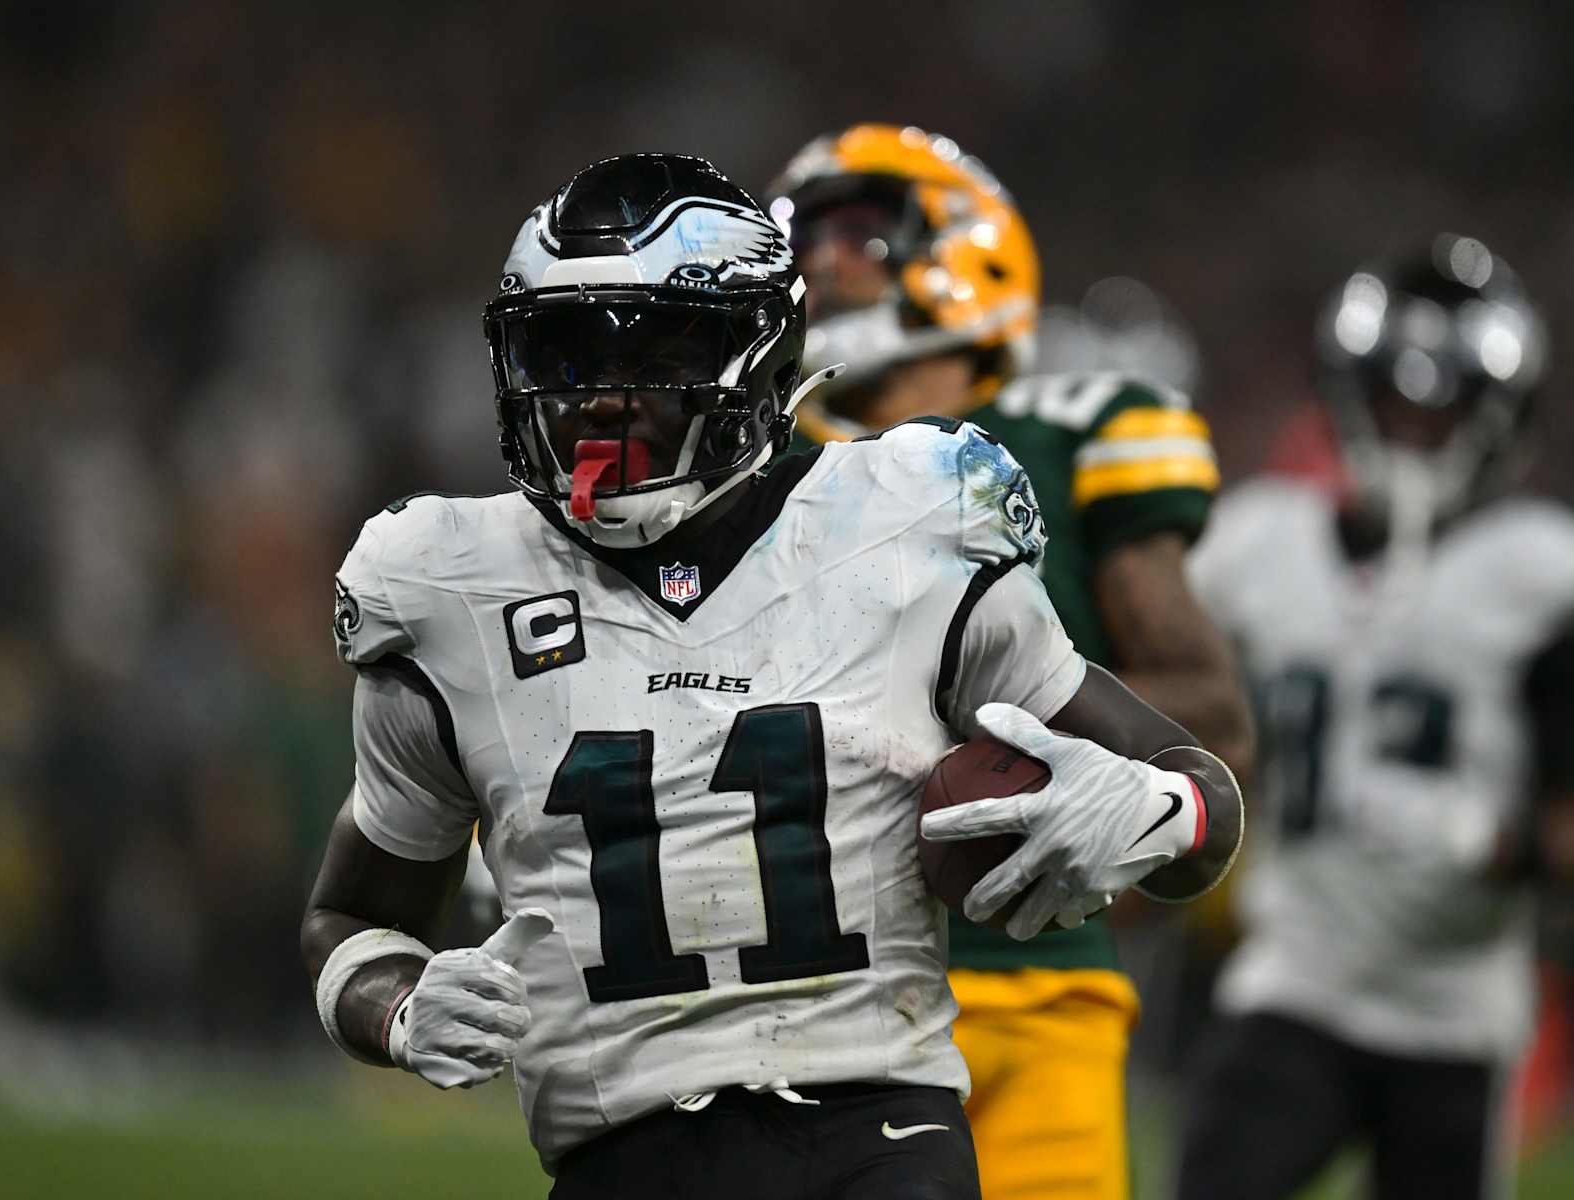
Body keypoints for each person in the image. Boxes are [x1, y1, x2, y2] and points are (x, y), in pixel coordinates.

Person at [300, 152, 1244, 1199]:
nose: (599, 400)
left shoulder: (907, 521)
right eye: (562, 352)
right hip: (619, 1160)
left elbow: (1202, 788)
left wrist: (1154, 810)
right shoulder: (448, 591)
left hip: (879, 1138)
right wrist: (392, 1005)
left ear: (757, 357)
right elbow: (348, 919)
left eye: (656, 350)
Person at [766, 124, 1254, 1200]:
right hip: (807, 1006)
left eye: (855, 229)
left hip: (1031, 987)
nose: (819, 262)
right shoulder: (762, 466)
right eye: (801, 237)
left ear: (966, 245)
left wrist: (1076, 766)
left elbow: (1212, 715)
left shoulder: (1069, 430)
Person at [1176, 235, 1574, 1199]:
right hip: (1295, 979)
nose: (1416, 435)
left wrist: (1500, 841)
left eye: (1442, 415)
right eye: (1398, 406)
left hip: (1454, 1013)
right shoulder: (1257, 545)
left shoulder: (1540, 573)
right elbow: (1161, 699)